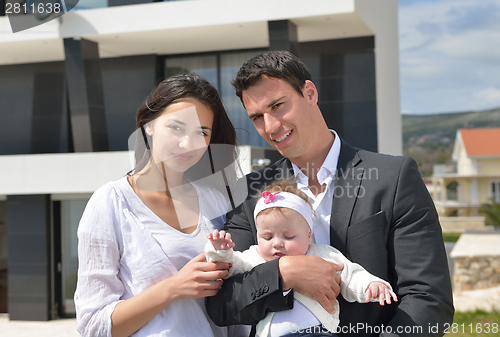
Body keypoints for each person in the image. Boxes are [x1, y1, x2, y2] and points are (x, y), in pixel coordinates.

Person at [205, 51, 454, 337]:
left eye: (278, 106)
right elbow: (223, 304)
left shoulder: (394, 178)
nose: (271, 126)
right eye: (258, 117)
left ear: (309, 93)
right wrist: (284, 273)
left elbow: (428, 299)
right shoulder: (250, 192)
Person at [75, 73, 247, 337]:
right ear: (149, 124)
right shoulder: (111, 203)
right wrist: (174, 287)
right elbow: (94, 326)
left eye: (201, 132)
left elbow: (236, 310)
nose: (187, 144)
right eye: (176, 127)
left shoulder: (216, 202)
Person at [205, 180, 398, 337]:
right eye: (267, 237)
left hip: (316, 332)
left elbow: (350, 273)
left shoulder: (322, 253)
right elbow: (231, 266)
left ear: (308, 235)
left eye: (288, 237)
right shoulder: (254, 257)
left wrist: (371, 285)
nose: (277, 243)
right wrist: (220, 251)